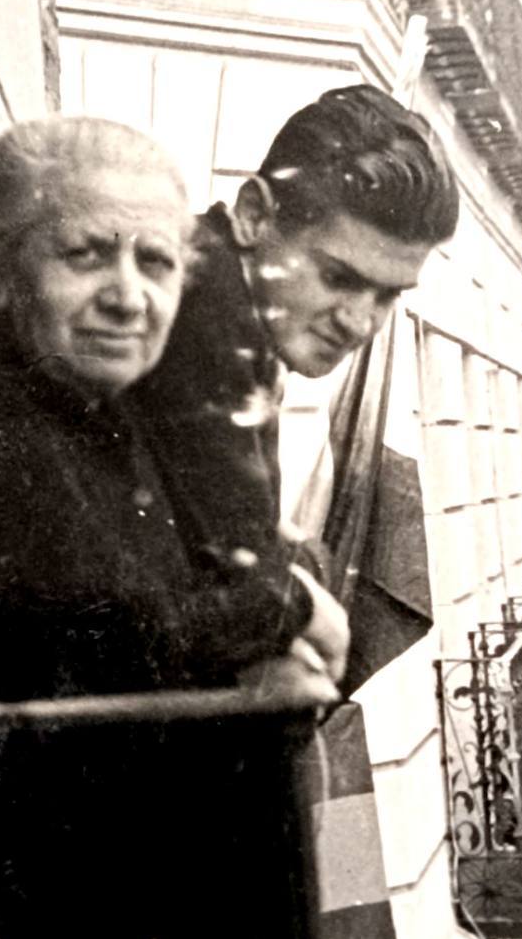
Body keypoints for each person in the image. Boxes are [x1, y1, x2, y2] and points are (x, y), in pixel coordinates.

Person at [0, 116, 348, 939]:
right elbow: (115, 630)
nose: (128, 297)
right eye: (86, 256)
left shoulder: (109, 413)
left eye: (158, 263)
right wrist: (288, 609)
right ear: (2, 272)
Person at [134, 82, 459, 583]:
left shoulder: (216, 290)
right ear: (254, 216)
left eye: (388, 295)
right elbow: (237, 587)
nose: (359, 322)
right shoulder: (200, 326)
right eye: (339, 278)